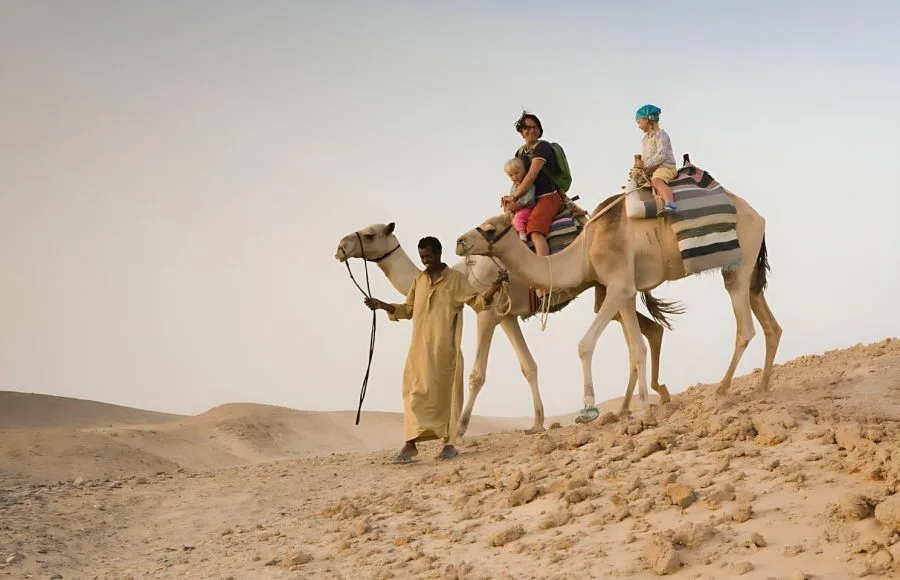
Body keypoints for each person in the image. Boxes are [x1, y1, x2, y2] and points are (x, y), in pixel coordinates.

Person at [364, 236, 507, 464]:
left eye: (428, 256)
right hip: (418, 352)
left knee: (448, 397)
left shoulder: (456, 280)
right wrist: (382, 305)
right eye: (422, 257)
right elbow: (408, 309)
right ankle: (410, 444)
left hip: (445, 353)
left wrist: (496, 286)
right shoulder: (419, 281)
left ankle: (449, 444)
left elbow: (478, 302)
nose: (425, 261)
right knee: (412, 395)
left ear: (439, 253)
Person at [500, 111, 563, 257]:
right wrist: (510, 200)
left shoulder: (543, 148)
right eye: (527, 128)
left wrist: (515, 198)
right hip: (530, 199)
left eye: (535, 127)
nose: (531, 130)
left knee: (534, 230)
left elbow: (530, 177)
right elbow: (518, 179)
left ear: (540, 130)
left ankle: (544, 268)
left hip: (547, 196)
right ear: (521, 132)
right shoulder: (520, 154)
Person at [634, 104, 678, 217]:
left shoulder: (661, 135)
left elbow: (661, 156)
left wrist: (644, 164)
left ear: (646, 119)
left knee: (656, 181)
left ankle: (670, 204)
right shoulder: (645, 139)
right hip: (652, 170)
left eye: (639, 121)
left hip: (666, 167)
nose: (638, 126)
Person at [503, 157, 536, 241]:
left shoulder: (528, 185)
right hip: (517, 210)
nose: (514, 177)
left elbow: (529, 199)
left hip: (527, 208)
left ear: (523, 171)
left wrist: (518, 204)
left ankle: (522, 235)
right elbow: (513, 198)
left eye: (516, 173)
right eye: (511, 175)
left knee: (518, 218)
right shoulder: (513, 187)